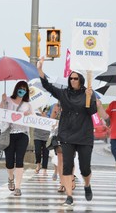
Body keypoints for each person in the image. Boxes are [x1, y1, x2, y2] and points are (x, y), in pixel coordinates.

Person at [37, 56, 97, 206]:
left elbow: (92, 112)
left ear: (81, 80)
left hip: (84, 135)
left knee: (85, 168)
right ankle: (69, 196)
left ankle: (87, 185)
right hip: (67, 135)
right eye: (71, 78)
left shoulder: (89, 93)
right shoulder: (64, 94)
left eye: (75, 78)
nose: (72, 81)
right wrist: (40, 69)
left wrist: (90, 98)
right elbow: (48, 86)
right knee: (66, 166)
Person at [0, 81, 33, 196]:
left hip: (22, 134)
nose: (22, 90)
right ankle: (10, 177)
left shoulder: (27, 104)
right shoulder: (7, 100)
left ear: (26, 91)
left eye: (24, 89)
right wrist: (3, 101)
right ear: (16, 89)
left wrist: (29, 115)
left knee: (19, 160)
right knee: (9, 162)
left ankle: (18, 187)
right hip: (9, 134)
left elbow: (33, 119)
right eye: (20, 88)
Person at [33, 108, 50, 176]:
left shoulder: (49, 111)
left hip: (47, 136)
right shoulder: (36, 112)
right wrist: (39, 111)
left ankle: (45, 169)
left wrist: (45, 116)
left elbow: (53, 119)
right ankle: (38, 165)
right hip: (37, 135)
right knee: (37, 151)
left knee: (46, 153)